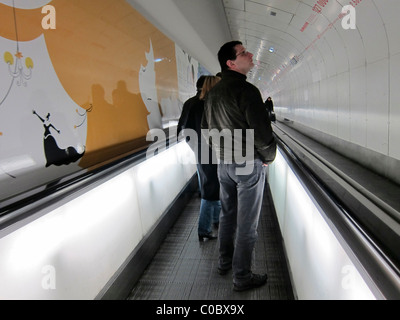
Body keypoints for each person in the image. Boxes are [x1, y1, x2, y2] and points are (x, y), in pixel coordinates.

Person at [202, 41, 276, 291]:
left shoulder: (213, 93)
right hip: (247, 164)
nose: (250, 54)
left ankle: (224, 263)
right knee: (247, 224)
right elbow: (262, 133)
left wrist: (222, 151)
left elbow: (205, 129)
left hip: (224, 165)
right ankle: (242, 276)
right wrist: (269, 156)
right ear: (231, 63)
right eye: (244, 52)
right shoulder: (247, 91)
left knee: (227, 216)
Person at [178, 75, 222, 242]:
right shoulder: (209, 105)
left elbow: (185, 128)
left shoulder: (191, 103)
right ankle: (204, 228)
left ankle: (217, 219)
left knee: (210, 186)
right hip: (211, 151)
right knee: (211, 188)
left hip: (201, 151)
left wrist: (196, 148)